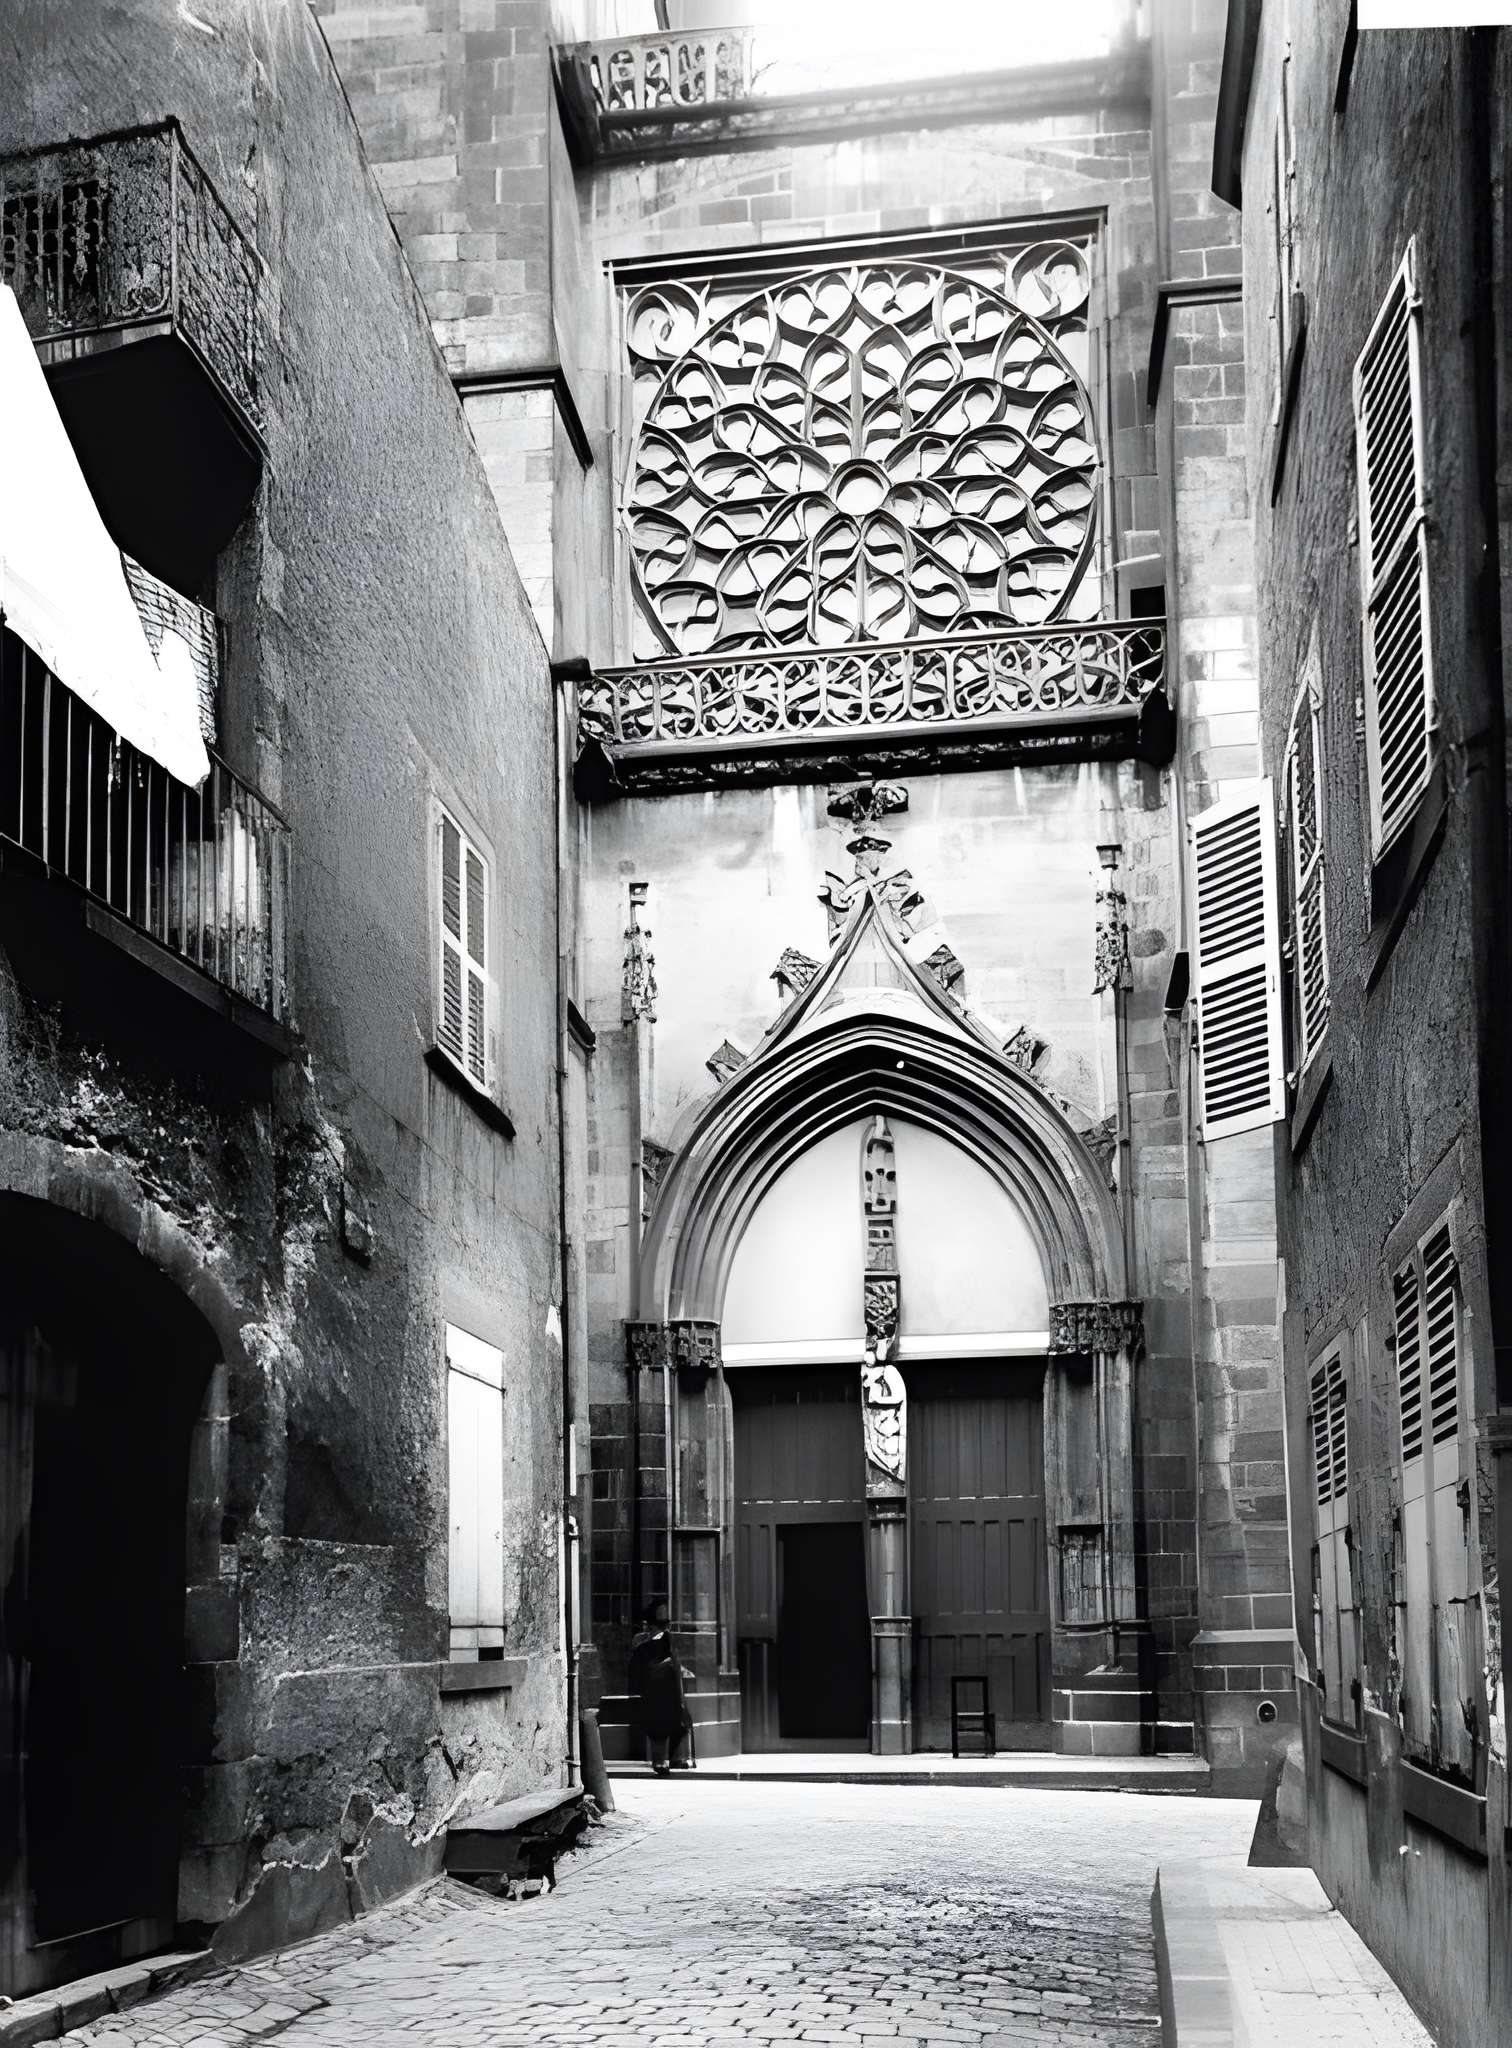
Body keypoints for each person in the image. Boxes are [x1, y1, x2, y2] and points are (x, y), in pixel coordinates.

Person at [627, 1600, 692, 1774]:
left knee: (662, 1724)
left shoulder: (647, 1644)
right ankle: (673, 1758)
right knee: (670, 1722)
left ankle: (665, 1760)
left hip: (657, 1695)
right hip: (662, 1694)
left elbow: (636, 1672)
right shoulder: (662, 1643)